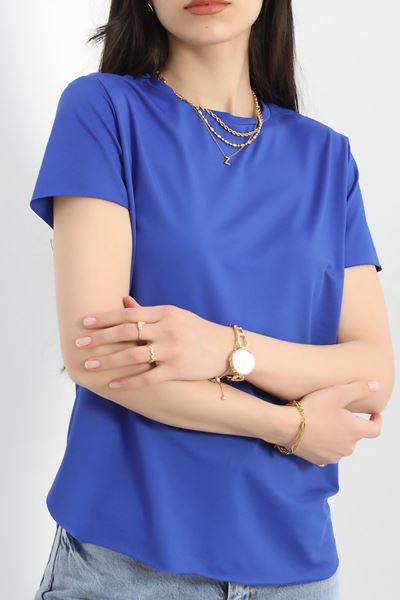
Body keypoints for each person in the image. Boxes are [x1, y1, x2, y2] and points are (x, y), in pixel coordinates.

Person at [31, 1, 394, 598]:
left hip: (296, 568)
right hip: (132, 566)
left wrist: (225, 349)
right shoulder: (103, 110)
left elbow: (372, 374)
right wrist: (290, 425)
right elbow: (97, 355)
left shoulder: (328, 158)